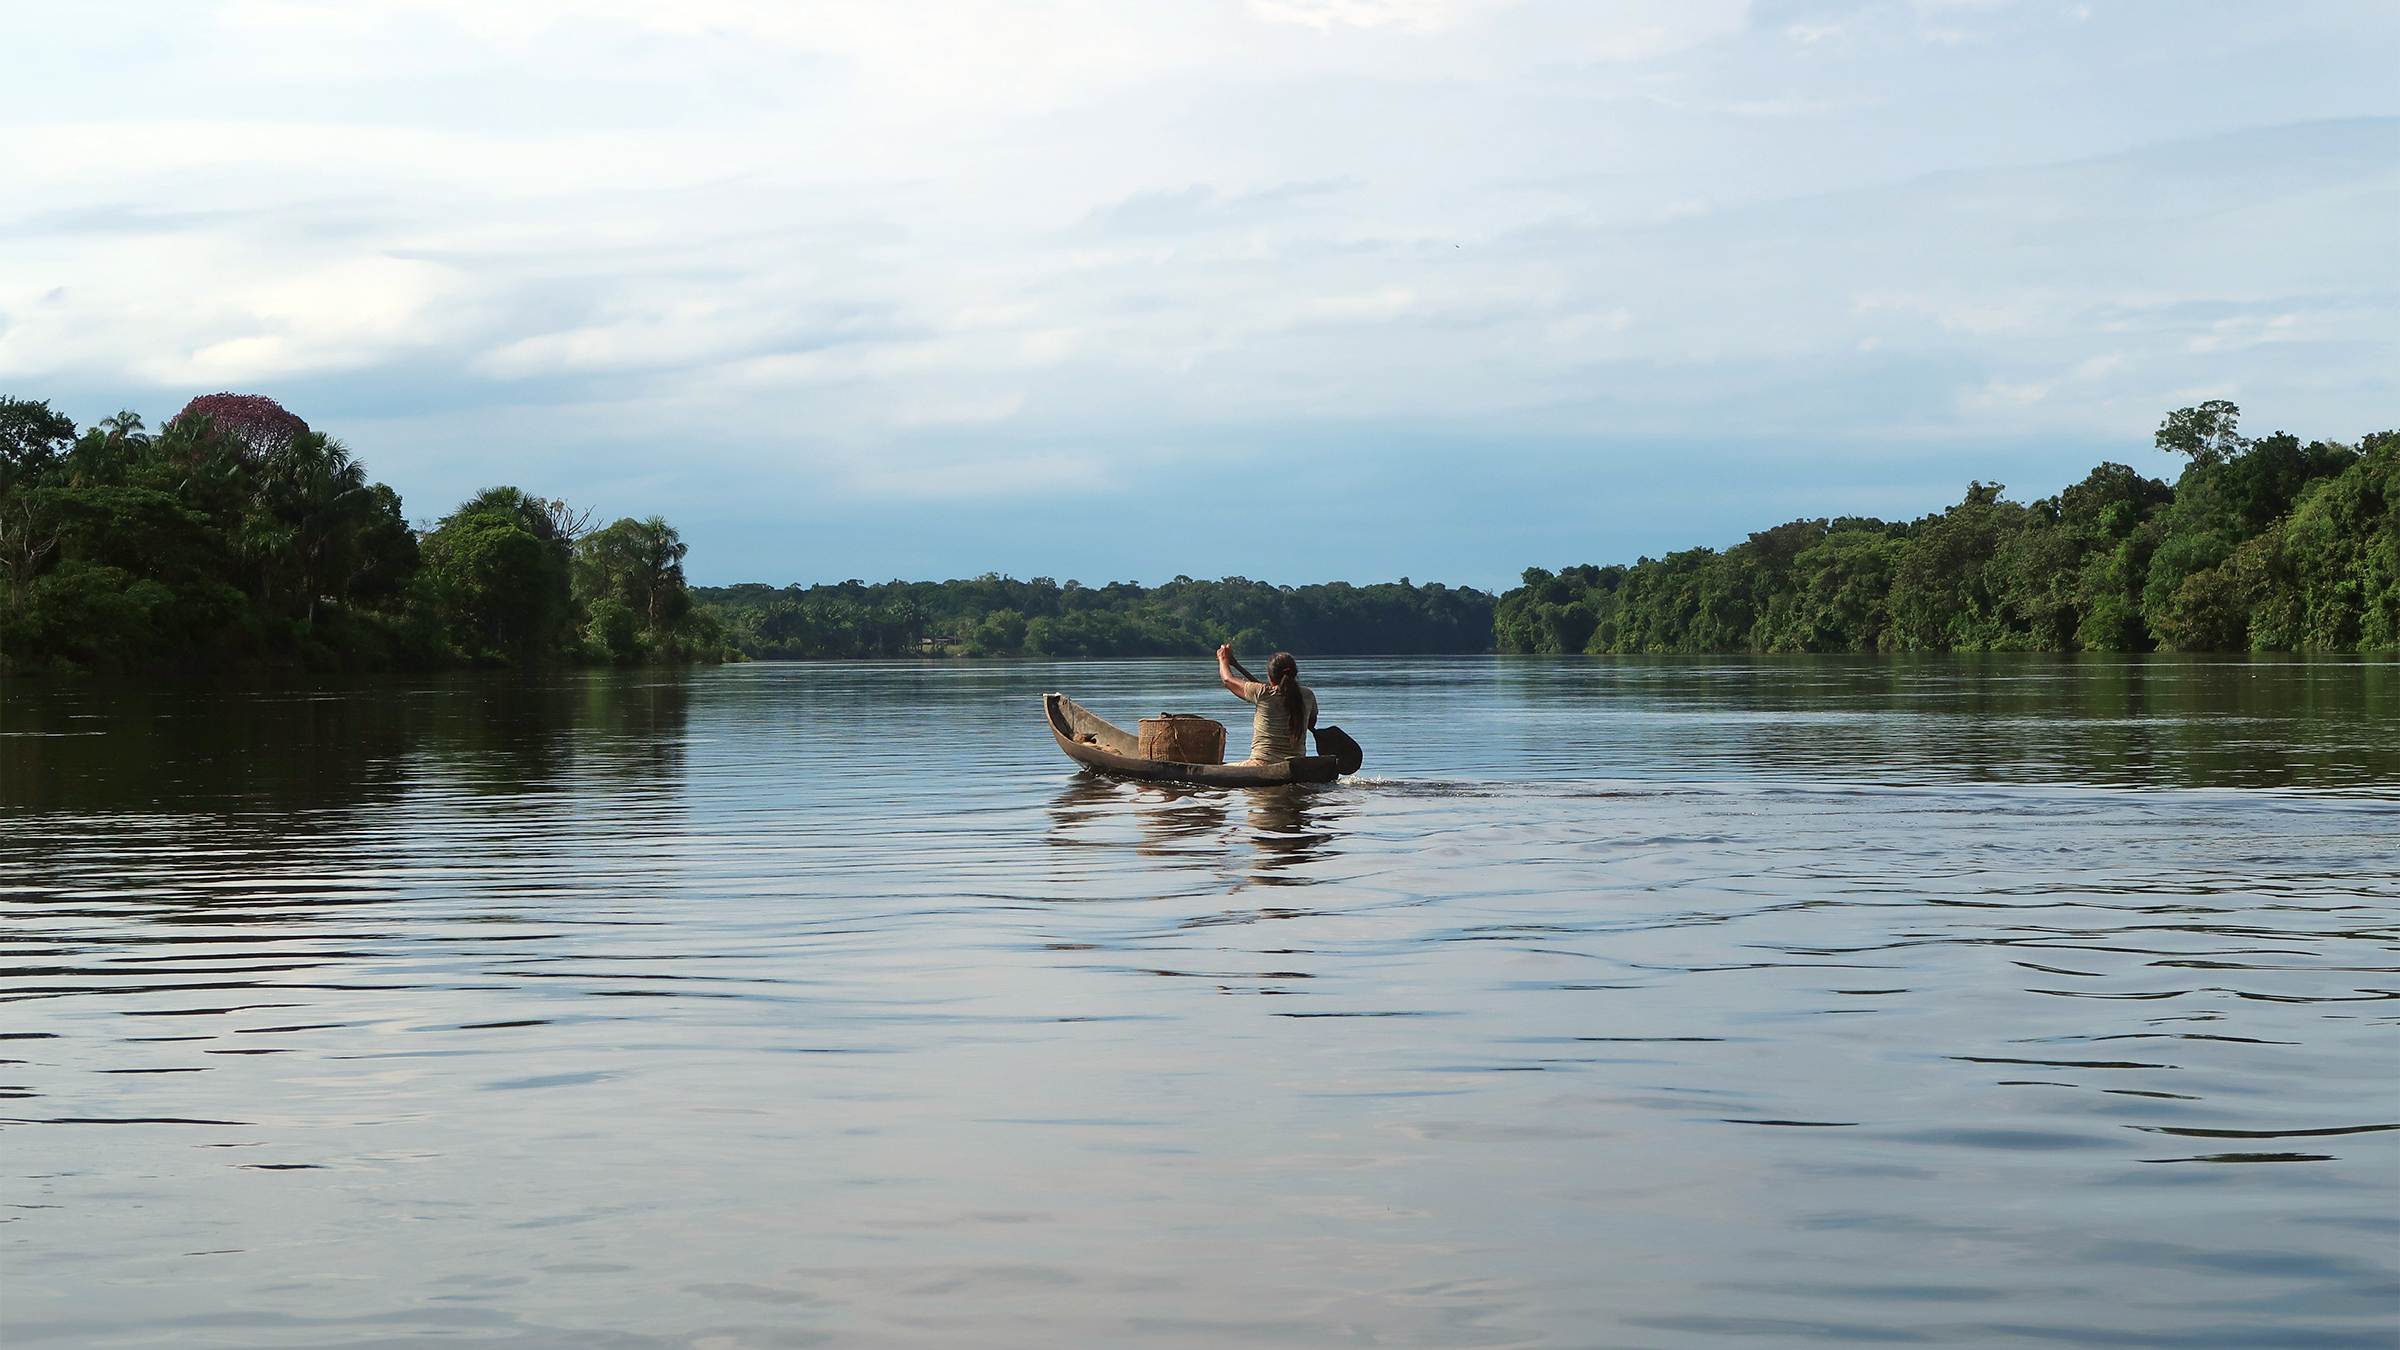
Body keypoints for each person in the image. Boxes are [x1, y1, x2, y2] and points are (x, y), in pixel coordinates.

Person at [1216, 645, 1317, 766]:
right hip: (1296, 764)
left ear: (1270, 677)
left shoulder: (1262, 693)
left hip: (1261, 764)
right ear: (1294, 674)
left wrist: (1223, 659)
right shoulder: (1308, 695)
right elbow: (1310, 723)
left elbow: (1228, 680)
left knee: (1215, 768)